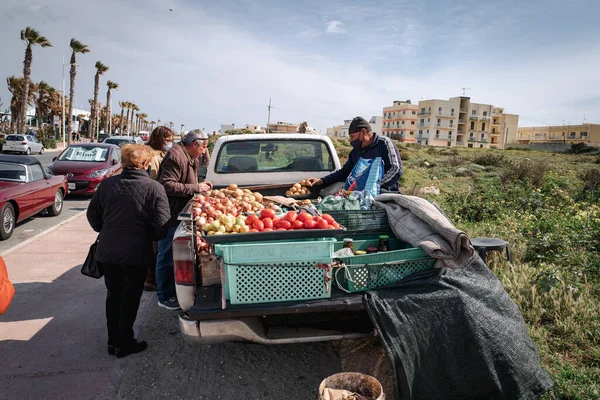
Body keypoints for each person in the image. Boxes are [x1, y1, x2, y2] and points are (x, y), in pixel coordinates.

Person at [87, 144, 171, 358]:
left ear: (124, 163)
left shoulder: (107, 185)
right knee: (130, 297)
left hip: (108, 251)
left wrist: (106, 230)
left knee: (113, 295)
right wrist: (150, 236)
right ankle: (124, 343)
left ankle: (113, 341)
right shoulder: (154, 188)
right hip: (136, 253)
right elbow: (162, 226)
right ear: (145, 164)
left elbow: (93, 215)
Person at [157, 129, 212, 310]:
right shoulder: (175, 156)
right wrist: (195, 187)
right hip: (170, 215)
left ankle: (172, 291)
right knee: (166, 255)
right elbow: (167, 184)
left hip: (179, 212)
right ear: (195, 144)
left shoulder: (187, 155)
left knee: (173, 254)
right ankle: (164, 296)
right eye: (203, 147)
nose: (204, 151)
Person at [307, 116, 402, 193]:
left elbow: (395, 169)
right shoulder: (356, 151)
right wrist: (323, 180)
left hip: (385, 195)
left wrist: (374, 187)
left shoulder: (384, 143)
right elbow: (344, 172)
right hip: (360, 196)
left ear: (363, 132)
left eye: (352, 137)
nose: (351, 140)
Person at [143, 126, 175, 291]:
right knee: (154, 244)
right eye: (167, 139)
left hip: (155, 203)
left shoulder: (160, 154)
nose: (170, 143)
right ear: (159, 139)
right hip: (152, 204)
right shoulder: (153, 157)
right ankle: (150, 279)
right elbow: (153, 181)